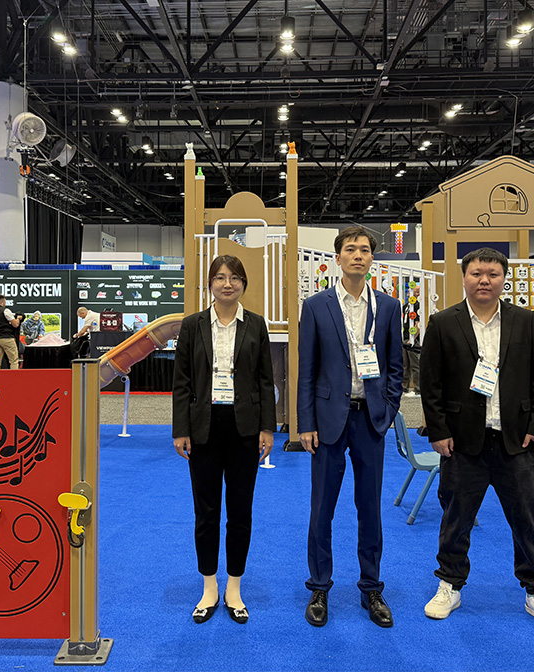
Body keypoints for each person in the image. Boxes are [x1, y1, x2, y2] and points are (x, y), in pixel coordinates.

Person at [419, 247, 534, 632]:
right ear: (464, 277)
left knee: (527, 519)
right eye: (477, 273)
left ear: (503, 279)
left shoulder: (524, 321)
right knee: (455, 519)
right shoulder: (442, 323)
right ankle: (449, 585)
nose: (484, 280)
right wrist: (439, 432)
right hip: (462, 443)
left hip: (516, 441)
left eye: (493, 274)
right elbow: (431, 385)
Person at [298, 226, 403, 629]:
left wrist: (388, 410)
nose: (358, 255)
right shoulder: (316, 306)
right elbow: (306, 369)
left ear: (372, 258)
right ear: (338, 257)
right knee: (321, 508)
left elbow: (396, 366)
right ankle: (319, 587)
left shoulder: (388, 307)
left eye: (364, 250)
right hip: (327, 420)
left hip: (370, 419)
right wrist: (306, 422)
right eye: (350, 249)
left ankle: (371, 587)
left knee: (370, 508)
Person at [172, 255, 276, 625]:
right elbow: (182, 381)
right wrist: (180, 430)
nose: (227, 284)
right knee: (206, 512)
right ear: (210, 284)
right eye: (219, 277)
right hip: (203, 427)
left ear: (243, 284)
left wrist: (268, 428)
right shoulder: (192, 325)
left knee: (240, 511)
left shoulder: (257, 325)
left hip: (245, 428)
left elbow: (265, 380)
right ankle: (209, 587)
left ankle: (234, 587)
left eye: (234, 278)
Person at [402, 285, 422, 397]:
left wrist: (412, 339)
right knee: (405, 365)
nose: (409, 293)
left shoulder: (418, 306)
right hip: (404, 338)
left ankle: (418, 389)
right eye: (409, 291)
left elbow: (418, 324)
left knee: (415, 365)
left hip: (413, 340)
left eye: (413, 291)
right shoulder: (405, 306)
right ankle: (404, 387)